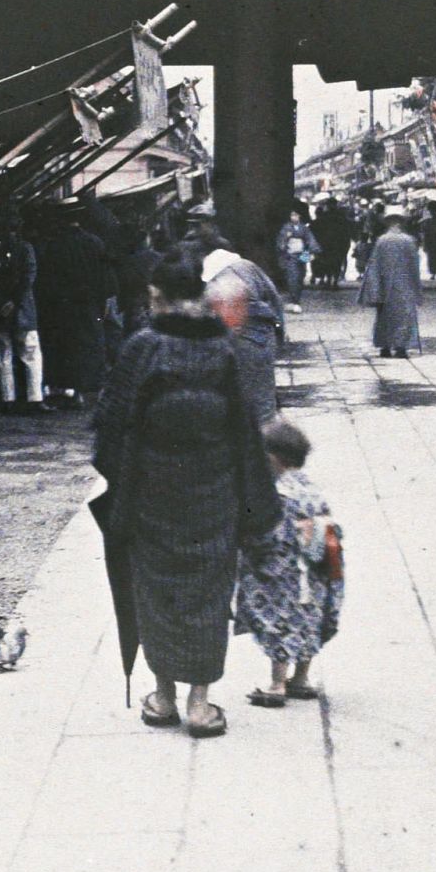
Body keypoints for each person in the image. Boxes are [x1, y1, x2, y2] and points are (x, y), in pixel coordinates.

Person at [93, 247, 283, 739]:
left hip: (152, 495)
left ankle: (163, 697)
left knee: (156, 591)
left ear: (157, 297)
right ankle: (200, 705)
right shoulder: (223, 349)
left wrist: (117, 484)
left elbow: (111, 424)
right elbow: (244, 429)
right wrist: (257, 503)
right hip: (214, 495)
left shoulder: (142, 348)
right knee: (208, 592)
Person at [233, 418, 343, 708]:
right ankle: (300, 679)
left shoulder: (274, 491)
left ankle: (277, 684)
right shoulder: (309, 486)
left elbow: (268, 533)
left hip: (280, 573)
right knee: (309, 623)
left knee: (279, 625)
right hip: (314, 571)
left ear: (272, 458)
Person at [34, 209, 115, 409]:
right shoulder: (95, 243)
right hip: (89, 305)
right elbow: (107, 278)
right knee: (88, 346)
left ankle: (67, 391)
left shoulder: (54, 246)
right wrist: (103, 301)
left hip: (60, 306)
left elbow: (45, 280)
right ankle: (86, 391)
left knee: (63, 348)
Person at [201, 245, 282, 426]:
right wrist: (278, 331)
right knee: (264, 397)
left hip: (243, 336)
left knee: (247, 398)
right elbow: (274, 297)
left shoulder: (219, 278)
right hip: (264, 332)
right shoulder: (249, 267)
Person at [0, 213, 46, 412]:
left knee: (4, 355)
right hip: (23, 310)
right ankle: (34, 398)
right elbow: (29, 278)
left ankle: (7, 398)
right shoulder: (26, 248)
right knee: (31, 354)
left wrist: (0, 302)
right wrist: (14, 301)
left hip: (0, 311)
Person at [359, 206, 423, 358]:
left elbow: (373, 265)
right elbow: (415, 266)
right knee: (404, 315)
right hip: (404, 284)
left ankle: (385, 346)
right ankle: (401, 347)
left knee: (385, 316)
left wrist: (373, 286)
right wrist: (417, 288)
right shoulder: (408, 241)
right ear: (401, 223)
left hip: (385, 284)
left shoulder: (381, 241)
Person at [275, 209, 320, 314]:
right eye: (292, 215)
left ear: (299, 216)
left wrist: (313, 251)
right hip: (290, 254)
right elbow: (281, 242)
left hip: (302, 253)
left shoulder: (304, 228)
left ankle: (297, 298)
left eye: (296, 215)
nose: (294, 217)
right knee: (293, 277)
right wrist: (284, 244)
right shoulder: (286, 228)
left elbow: (310, 240)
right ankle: (294, 300)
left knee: (301, 275)